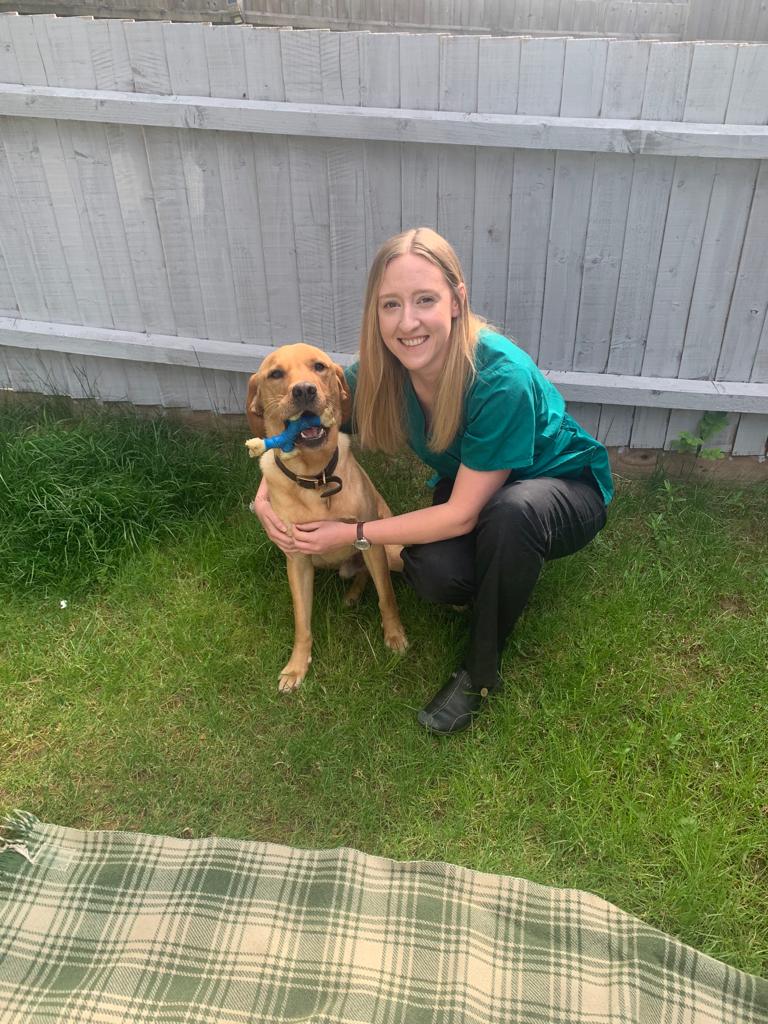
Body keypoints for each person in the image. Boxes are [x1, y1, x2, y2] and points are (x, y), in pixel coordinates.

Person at [253, 227, 613, 735]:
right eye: (390, 305)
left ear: (456, 301)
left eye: (425, 300)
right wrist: (266, 493)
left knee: (513, 516)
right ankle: (497, 576)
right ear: (375, 314)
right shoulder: (381, 371)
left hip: (558, 485)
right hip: (479, 487)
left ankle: (478, 674)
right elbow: (306, 425)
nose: (407, 322)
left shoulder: (497, 377)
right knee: (434, 571)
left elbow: (463, 513)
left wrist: (353, 534)